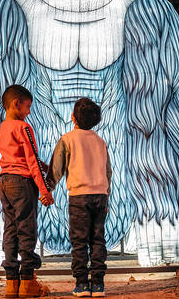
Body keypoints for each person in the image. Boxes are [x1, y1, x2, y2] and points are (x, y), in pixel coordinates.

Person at [49, 97, 112, 297]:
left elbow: (56, 170)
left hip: (78, 197)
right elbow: (107, 172)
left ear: (73, 117)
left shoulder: (67, 139)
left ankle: (82, 284)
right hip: (100, 196)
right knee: (97, 240)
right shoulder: (101, 142)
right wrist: (107, 196)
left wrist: (46, 189)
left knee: (79, 241)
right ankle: (99, 284)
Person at [0, 84, 54, 298]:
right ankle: (28, 282)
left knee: (10, 229)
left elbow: (17, 155)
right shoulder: (24, 127)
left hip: (5, 181)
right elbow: (30, 160)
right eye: (27, 106)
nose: (29, 111)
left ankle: (11, 283)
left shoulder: (4, 127)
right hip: (22, 183)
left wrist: (41, 164)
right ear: (16, 104)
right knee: (27, 230)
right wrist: (44, 190)